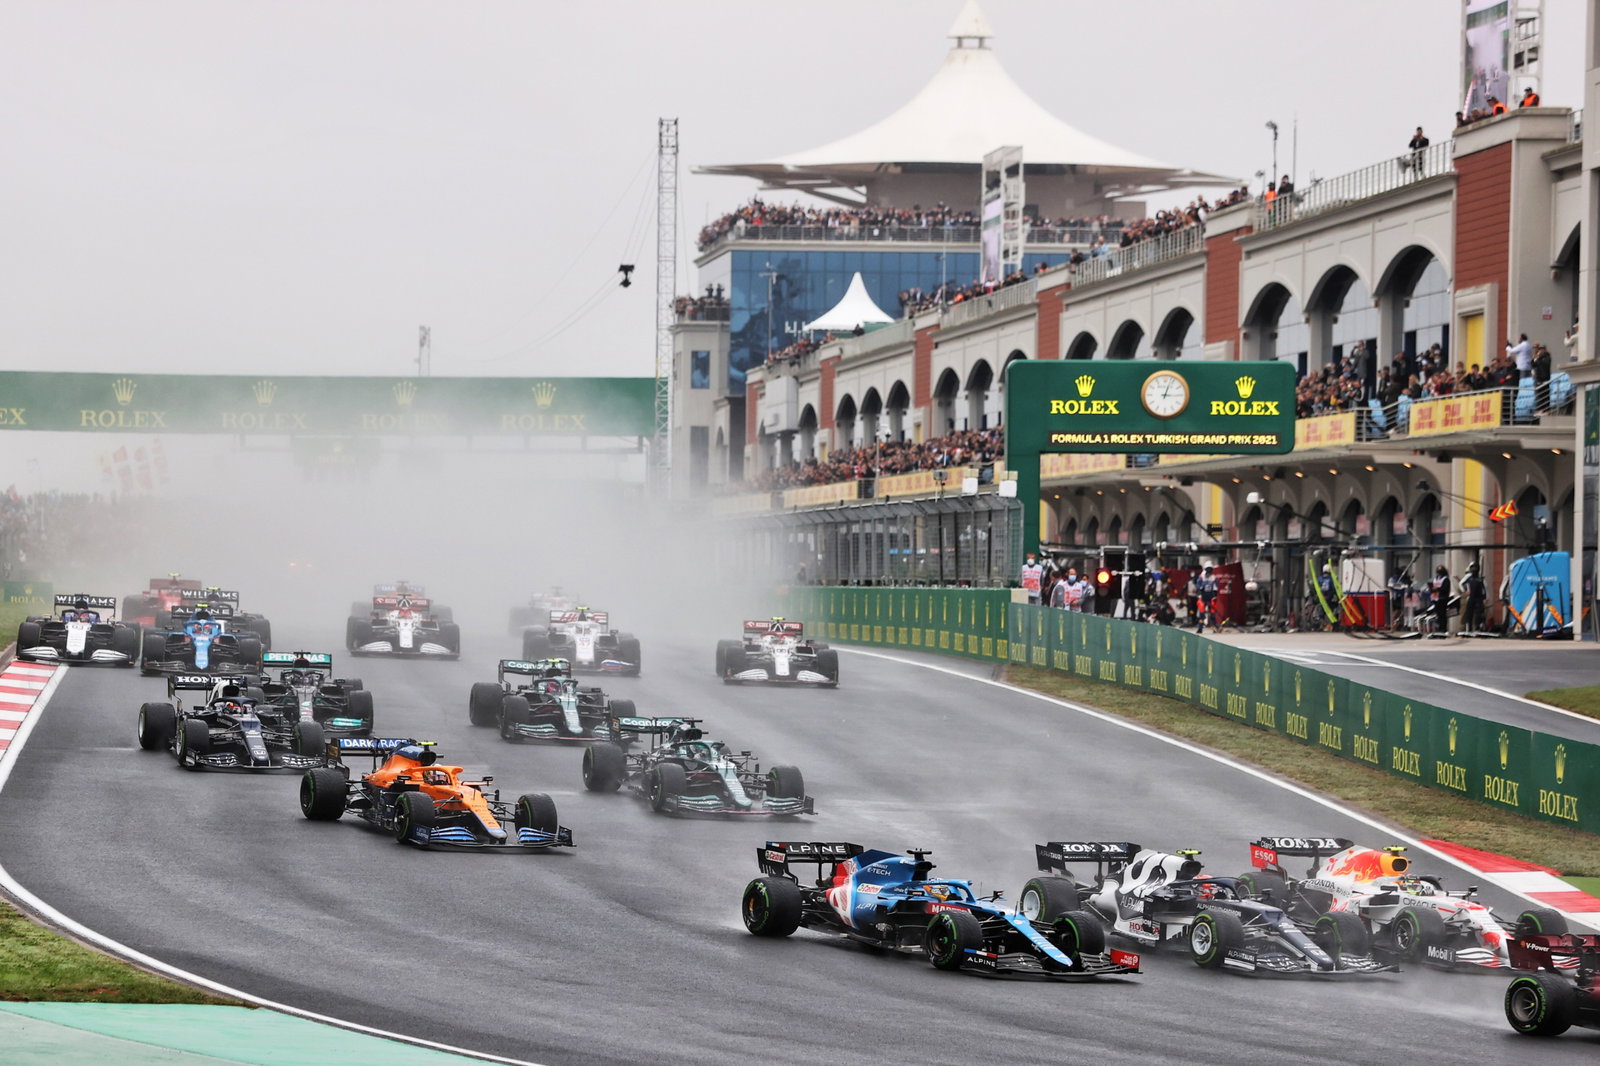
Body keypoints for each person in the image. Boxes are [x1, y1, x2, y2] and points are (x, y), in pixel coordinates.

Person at [1460, 562, 1487, 634]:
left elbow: (1485, 588)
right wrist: (1464, 591)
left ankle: (1478, 628)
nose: (1474, 569)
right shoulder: (1468, 576)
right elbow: (1461, 583)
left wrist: (1485, 598)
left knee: (1479, 613)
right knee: (1469, 613)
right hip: (1470, 597)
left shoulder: (1480, 578)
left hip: (1479, 598)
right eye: (1472, 567)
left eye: (1475, 567)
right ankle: (1468, 628)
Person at [1193, 566, 1219, 633]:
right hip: (1203, 597)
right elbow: (1198, 587)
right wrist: (1200, 595)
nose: (1208, 574)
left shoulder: (1213, 578)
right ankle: (1200, 628)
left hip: (1211, 597)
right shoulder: (1201, 577)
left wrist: (1214, 596)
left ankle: (1215, 627)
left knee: (1212, 613)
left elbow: (1216, 587)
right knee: (1202, 614)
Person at [1428, 564, 1451, 636]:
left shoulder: (1445, 579)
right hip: (1435, 599)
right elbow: (1432, 588)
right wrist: (1431, 589)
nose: (1439, 573)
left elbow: (1445, 589)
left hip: (1443, 599)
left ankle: (1443, 629)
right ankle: (1438, 628)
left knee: (1442, 614)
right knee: (1438, 615)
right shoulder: (1436, 579)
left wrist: (1437, 589)